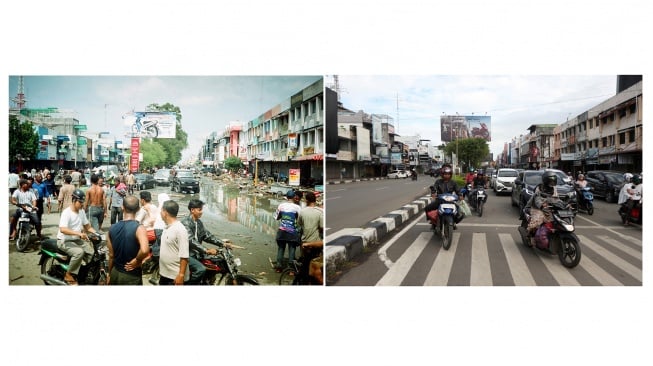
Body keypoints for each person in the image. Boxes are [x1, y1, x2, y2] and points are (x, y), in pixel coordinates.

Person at [181, 199, 234, 284]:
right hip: (187, 253)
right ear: (192, 210)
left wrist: (222, 243)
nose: (201, 212)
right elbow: (191, 240)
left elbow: (207, 236)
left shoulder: (198, 222)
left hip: (197, 253)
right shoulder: (185, 223)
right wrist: (206, 250)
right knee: (201, 269)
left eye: (202, 209)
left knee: (216, 263)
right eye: (199, 209)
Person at [56, 189, 98, 285]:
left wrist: (98, 234)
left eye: (83, 202)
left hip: (76, 240)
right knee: (79, 252)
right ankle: (69, 275)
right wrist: (79, 234)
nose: (82, 204)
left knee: (91, 252)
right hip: (64, 240)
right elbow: (63, 229)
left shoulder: (81, 211)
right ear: (74, 200)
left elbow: (88, 226)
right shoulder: (67, 212)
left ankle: (80, 273)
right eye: (80, 202)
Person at [106, 195, 150, 285]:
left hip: (115, 271)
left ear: (122, 207)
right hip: (131, 275)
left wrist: (109, 274)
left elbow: (111, 255)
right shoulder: (139, 228)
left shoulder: (112, 228)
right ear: (138, 209)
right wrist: (137, 260)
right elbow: (145, 250)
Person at [523, 170, 565, 244]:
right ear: (546, 181)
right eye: (551, 181)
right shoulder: (539, 188)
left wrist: (564, 204)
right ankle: (530, 235)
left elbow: (557, 198)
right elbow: (537, 200)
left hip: (549, 207)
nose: (552, 183)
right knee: (538, 220)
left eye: (553, 181)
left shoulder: (554, 188)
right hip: (536, 207)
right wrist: (542, 206)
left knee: (557, 220)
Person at [158, 200, 190, 285]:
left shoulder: (180, 230)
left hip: (174, 277)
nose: (160, 213)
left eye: (161, 211)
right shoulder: (167, 227)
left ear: (165, 212)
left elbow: (184, 255)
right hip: (165, 274)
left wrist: (181, 275)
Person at [297, 191, 323, 284]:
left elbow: (299, 224)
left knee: (306, 264)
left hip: (304, 242)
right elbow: (322, 227)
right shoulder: (320, 212)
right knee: (314, 265)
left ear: (306, 200)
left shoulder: (302, 211)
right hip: (316, 243)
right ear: (315, 200)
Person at [274, 189, 302, 272]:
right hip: (292, 232)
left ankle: (279, 267)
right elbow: (300, 220)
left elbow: (276, 217)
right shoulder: (297, 207)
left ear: (286, 197)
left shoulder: (281, 206)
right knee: (292, 250)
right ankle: (291, 270)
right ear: (294, 197)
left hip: (282, 231)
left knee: (281, 249)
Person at [31, 174, 48, 238]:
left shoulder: (43, 184)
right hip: (33, 201)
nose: (41, 178)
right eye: (39, 177)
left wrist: (48, 199)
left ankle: (39, 233)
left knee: (39, 215)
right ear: (35, 178)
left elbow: (46, 192)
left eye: (41, 177)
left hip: (40, 201)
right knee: (32, 215)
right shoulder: (32, 185)